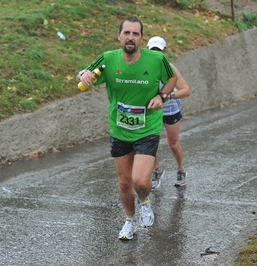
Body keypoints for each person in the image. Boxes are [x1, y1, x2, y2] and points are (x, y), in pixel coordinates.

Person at [76, 17, 177, 240]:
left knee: (140, 181)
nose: (130, 37)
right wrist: (82, 75)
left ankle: (144, 202)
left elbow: (172, 78)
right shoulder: (108, 59)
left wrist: (162, 96)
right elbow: (85, 74)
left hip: (147, 127)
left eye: (135, 34)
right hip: (119, 129)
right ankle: (130, 220)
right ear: (119, 36)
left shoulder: (156, 59)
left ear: (141, 38)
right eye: (127, 33)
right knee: (124, 182)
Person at [146, 36, 191, 188]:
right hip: (152, 109)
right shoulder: (143, 67)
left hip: (170, 108)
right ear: (147, 50)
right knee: (149, 143)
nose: (156, 54)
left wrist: (167, 96)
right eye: (153, 50)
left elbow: (186, 91)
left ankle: (180, 169)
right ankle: (157, 169)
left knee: (173, 144)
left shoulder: (170, 68)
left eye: (159, 51)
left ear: (164, 51)